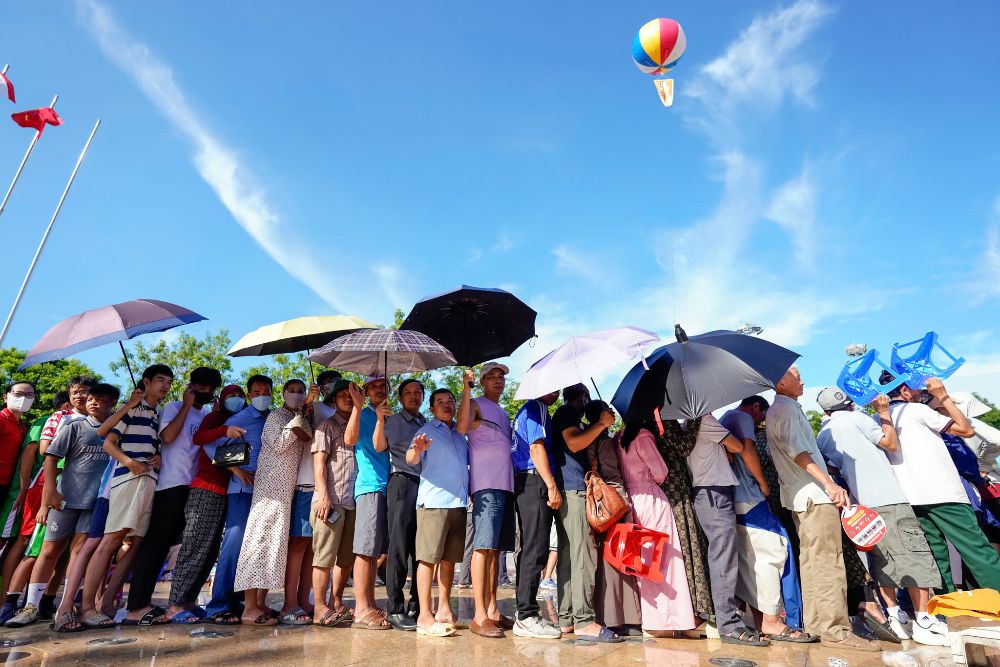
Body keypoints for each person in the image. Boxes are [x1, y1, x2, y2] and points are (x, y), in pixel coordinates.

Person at [815, 388, 948, 645]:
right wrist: (884, 414)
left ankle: (895, 616)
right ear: (850, 404)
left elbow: (832, 467)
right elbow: (889, 443)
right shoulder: (859, 418)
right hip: (889, 497)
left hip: (861, 507)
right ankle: (923, 620)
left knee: (881, 562)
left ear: (825, 411)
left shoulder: (823, 435)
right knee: (914, 556)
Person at [766, 366, 879, 652]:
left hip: (802, 498)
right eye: (796, 375)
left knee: (815, 564)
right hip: (814, 497)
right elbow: (800, 453)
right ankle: (836, 631)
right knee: (828, 563)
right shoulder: (786, 409)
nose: (802, 380)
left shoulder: (781, 408)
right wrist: (830, 484)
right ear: (781, 380)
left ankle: (820, 626)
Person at [5, 384, 117, 631]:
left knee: (78, 554)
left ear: (112, 403)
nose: (94, 402)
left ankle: (65, 607)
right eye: (92, 398)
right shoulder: (73, 426)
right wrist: (49, 496)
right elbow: (50, 458)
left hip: (94, 503)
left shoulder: (117, 431)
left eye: (102, 398)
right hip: (64, 499)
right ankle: (29, 606)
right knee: (48, 551)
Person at [880, 376, 1000, 593]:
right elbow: (966, 429)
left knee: (936, 557)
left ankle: (950, 612)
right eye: (916, 389)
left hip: (911, 496)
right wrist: (943, 396)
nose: (920, 393)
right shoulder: (917, 410)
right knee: (977, 550)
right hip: (944, 493)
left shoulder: (879, 419)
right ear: (905, 390)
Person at [123, 367, 222, 625]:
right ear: (190, 386)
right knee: (156, 545)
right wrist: (186, 406)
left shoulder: (209, 415)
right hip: (170, 485)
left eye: (210, 388)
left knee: (191, 547)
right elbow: (167, 437)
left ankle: (184, 600)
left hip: (195, 488)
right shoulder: (174, 407)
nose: (205, 392)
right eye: (200, 386)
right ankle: (136, 606)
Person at [79, 365, 172, 627]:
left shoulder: (157, 413)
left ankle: (106, 602)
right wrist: (130, 463)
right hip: (127, 478)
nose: (165, 385)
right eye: (160, 380)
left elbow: (154, 444)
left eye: (169, 381)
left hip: (149, 479)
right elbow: (106, 440)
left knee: (136, 542)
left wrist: (158, 457)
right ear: (147, 382)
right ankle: (87, 607)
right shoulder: (133, 406)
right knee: (112, 541)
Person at [720, 397, 811, 643]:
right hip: (750, 496)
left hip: (735, 498)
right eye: (762, 416)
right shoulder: (741, 418)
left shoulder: (724, 418)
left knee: (753, 557)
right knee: (773, 553)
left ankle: (760, 619)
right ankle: (772, 621)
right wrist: (763, 483)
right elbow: (748, 450)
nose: (761, 422)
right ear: (756, 407)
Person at [684, 411, 771, 647]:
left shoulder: (690, 424)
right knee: (724, 559)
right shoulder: (704, 419)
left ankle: (725, 618)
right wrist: (728, 445)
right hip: (714, 493)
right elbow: (736, 446)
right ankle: (729, 625)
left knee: (721, 557)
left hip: (707, 492)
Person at [235, 379, 317, 626]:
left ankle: (260, 603)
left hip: (285, 492)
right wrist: (304, 410)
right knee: (258, 544)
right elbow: (280, 444)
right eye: (291, 391)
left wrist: (306, 411)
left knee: (273, 548)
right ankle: (249, 607)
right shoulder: (276, 417)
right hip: (269, 490)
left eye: (300, 391)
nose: (296, 395)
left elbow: (305, 438)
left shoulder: (301, 415)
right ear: (282, 394)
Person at [165, 384, 246, 624]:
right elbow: (199, 438)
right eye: (232, 395)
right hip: (206, 489)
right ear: (221, 398)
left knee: (210, 552)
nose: (237, 399)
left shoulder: (242, 421)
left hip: (227, 492)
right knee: (195, 546)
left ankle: (189, 601)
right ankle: (174, 605)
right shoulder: (215, 418)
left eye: (241, 395)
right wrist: (223, 429)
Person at [551, 384, 622, 643]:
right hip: (573, 490)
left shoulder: (563, 414)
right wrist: (602, 424)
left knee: (570, 557)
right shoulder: (568, 413)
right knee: (583, 557)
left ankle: (567, 618)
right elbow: (573, 442)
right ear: (582, 397)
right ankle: (584, 621)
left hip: (568, 490)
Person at [618, 413, 697, 636]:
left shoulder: (619, 436)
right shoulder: (643, 436)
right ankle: (671, 620)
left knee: (643, 559)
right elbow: (661, 472)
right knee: (665, 558)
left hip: (631, 501)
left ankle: (651, 619)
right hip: (650, 497)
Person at [204, 374, 273, 625]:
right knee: (235, 545)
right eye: (256, 392)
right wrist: (236, 469)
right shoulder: (240, 419)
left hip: (268, 491)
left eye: (266, 391)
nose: (261, 395)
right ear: (249, 394)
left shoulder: (274, 418)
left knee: (260, 548)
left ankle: (247, 602)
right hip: (242, 491)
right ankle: (219, 605)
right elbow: (210, 446)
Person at [457, 363, 515, 638]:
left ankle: (492, 609)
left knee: (495, 550)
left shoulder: (502, 411)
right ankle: (479, 615)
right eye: (491, 377)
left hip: (505, 485)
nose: (497, 381)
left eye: (501, 377)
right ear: (481, 382)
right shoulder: (476, 403)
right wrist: (465, 389)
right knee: (483, 546)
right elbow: (461, 427)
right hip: (486, 485)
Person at [0, 391, 67, 623]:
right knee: (23, 542)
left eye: (30, 395)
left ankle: (36, 600)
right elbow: (32, 452)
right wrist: (23, 488)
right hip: (34, 491)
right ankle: (6, 602)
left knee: (47, 548)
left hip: (53, 491)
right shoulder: (46, 421)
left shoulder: (24, 424)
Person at [408, 388, 468, 637]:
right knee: (427, 559)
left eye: (450, 401)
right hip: (434, 504)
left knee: (449, 560)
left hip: (458, 503)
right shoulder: (426, 431)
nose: (446, 405)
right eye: (440, 402)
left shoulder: (459, 433)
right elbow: (411, 458)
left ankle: (444, 610)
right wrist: (418, 449)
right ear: (431, 409)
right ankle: (424, 616)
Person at [583, 400, 641, 632]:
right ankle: (622, 618)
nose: (612, 412)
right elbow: (613, 476)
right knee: (619, 560)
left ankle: (607, 615)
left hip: (597, 506)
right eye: (608, 409)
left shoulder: (589, 437)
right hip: (613, 504)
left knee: (605, 561)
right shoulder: (605, 441)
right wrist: (625, 503)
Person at [510, 389, 562, 639]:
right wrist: (551, 485)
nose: (557, 392)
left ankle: (524, 610)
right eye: (553, 387)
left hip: (523, 482)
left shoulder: (524, 411)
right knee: (537, 547)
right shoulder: (536, 408)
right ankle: (527, 615)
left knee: (530, 547)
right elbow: (536, 447)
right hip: (534, 479)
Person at [343, 376, 391, 630]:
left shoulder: (388, 415)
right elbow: (350, 440)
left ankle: (369, 603)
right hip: (370, 486)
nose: (380, 390)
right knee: (365, 549)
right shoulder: (362, 412)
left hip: (386, 487)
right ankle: (361, 609)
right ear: (365, 391)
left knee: (374, 552)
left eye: (384, 386)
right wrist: (358, 407)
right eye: (374, 386)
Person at [310, 379, 359, 627]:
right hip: (331, 501)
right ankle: (319, 607)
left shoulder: (359, 424)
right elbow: (319, 465)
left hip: (354, 501)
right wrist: (323, 496)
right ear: (334, 399)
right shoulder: (325, 427)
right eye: (342, 395)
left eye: (351, 394)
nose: (347, 398)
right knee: (324, 556)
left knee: (346, 557)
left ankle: (336, 601)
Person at [383, 378, 426, 630]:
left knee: (421, 549)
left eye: (417, 392)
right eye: (407, 393)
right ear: (400, 398)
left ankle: (417, 603)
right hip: (401, 482)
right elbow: (380, 445)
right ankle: (395, 608)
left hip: (425, 486)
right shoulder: (392, 421)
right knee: (398, 546)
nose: (413, 396)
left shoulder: (427, 423)